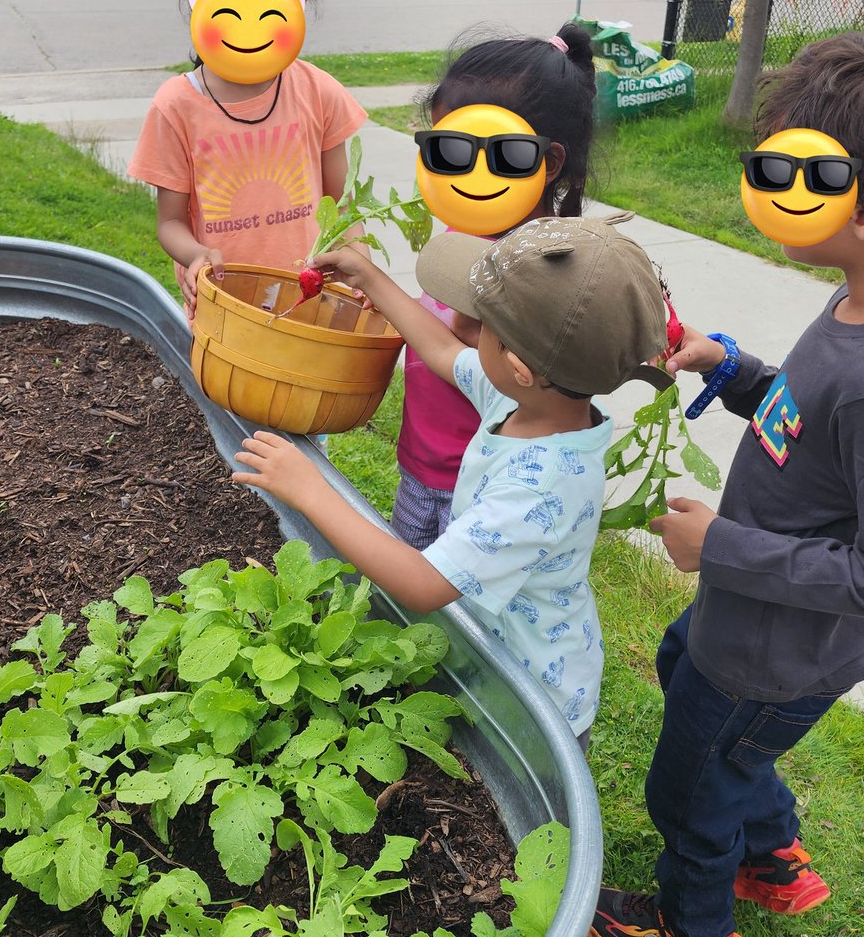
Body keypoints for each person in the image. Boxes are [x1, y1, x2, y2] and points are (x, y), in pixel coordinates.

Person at [588, 26, 864, 937]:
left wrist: (719, 545)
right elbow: (809, 423)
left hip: (772, 654)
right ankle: (774, 861)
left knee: (691, 788)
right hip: (748, 631)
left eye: (788, 172)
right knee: (683, 670)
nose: (762, 188)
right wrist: (736, 371)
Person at [231, 215, 669, 745]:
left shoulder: (540, 487)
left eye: (482, 322)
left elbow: (422, 584)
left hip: (533, 706)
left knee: (511, 784)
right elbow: (440, 350)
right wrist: (369, 278)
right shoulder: (531, 400)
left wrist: (310, 490)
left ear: (518, 366)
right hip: (496, 657)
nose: (461, 321)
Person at [393, 23, 598, 550]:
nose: (467, 175)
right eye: (447, 152)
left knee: (453, 600)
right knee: (402, 597)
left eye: (498, 155)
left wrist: (469, 322)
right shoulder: (462, 229)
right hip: (422, 466)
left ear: (548, 162)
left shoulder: (548, 262)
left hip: (488, 487)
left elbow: (513, 370)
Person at [127, 0, 366, 316]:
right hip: (225, 310)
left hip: (311, 304)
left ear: (297, 7)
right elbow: (171, 222)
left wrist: (362, 267)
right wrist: (196, 254)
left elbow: (342, 203)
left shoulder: (319, 91)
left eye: (265, 9)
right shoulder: (176, 106)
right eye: (232, 11)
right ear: (198, 7)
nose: (248, 27)